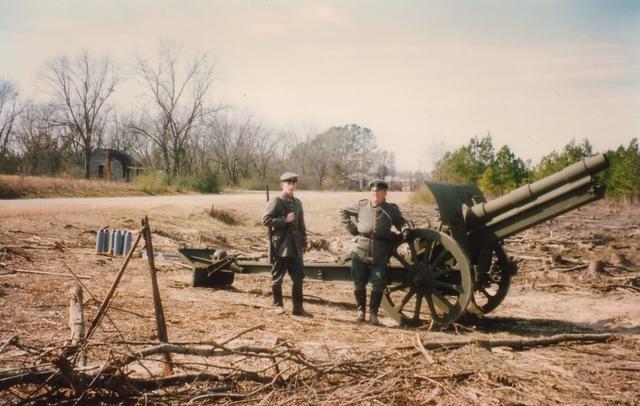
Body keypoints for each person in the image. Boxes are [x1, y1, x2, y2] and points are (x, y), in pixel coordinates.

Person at [339, 179, 410, 325]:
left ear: (385, 194)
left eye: (378, 192)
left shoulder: (390, 209)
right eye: (373, 192)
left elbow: (401, 222)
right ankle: (360, 312)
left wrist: (405, 229)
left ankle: (373, 314)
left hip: (380, 252)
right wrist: (352, 229)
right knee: (359, 282)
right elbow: (342, 211)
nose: (375, 195)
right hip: (360, 250)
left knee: (378, 283)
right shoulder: (362, 205)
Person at [262, 172, 312, 317]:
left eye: (293, 184)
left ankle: (298, 308)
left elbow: (301, 225)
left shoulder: (297, 203)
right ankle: (278, 305)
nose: (291, 186)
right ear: (282, 185)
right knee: (277, 278)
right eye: (288, 184)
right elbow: (266, 220)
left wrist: (304, 242)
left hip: (295, 247)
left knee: (298, 278)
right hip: (281, 246)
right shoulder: (276, 201)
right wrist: (284, 220)